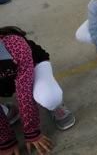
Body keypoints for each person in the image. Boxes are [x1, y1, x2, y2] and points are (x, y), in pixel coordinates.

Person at [0, 26, 75, 154]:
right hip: (5, 79)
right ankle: (8, 110)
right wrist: (5, 141)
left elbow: (24, 92)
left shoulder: (14, 44)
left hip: (32, 67)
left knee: (49, 97)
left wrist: (31, 132)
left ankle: (54, 106)